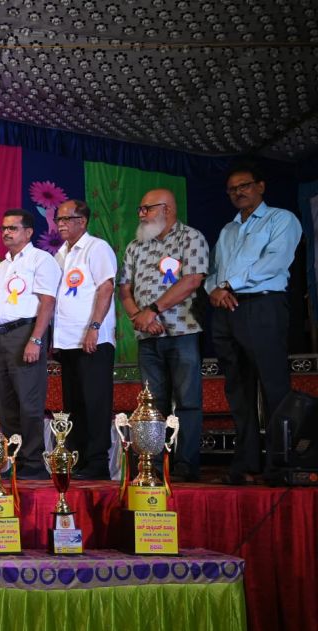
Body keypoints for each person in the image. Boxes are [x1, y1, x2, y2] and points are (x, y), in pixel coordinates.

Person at [205, 162, 302, 485]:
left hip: (263, 305)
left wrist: (228, 284)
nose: (238, 192)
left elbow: (274, 261)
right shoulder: (228, 230)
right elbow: (214, 271)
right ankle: (246, 463)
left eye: (244, 185)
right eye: (232, 189)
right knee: (238, 388)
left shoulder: (281, 219)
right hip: (227, 309)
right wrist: (216, 290)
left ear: (260, 186)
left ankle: (280, 464)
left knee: (273, 385)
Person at [118, 189, 209, 482]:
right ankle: (152, 465)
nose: (141, 214)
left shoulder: (190, 237)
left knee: (187, 401)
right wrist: (139, 317)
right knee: (151, 404)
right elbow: (125, 289)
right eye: (140, 209)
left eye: (147, 208)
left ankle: (185, 464)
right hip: (148, 337)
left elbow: (192, 280)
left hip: (182, 331)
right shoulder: (135, 246)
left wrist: (153, 310)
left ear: (167, 209)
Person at [0, 209, 61, 479]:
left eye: (13, 228)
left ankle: (33, 464)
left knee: (28, 403)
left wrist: (36, 339)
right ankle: (14, 462)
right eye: (3, 228)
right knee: (6, 404)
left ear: (28, 232)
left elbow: (47, 302)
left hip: (26, 333)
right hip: (1, 337)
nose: (6, 233)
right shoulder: (3, 265)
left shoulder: (41, 259)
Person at [52, 200, 117, 480]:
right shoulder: (61, 254)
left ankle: (98, 462)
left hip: (93, 339)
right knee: (74, 404)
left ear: (83, 221)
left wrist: (94, 327)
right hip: (67, 341)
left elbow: (106, 287)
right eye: (58, 219)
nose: (61, 224)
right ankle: (78, 459)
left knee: (95, 402)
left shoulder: (96, 248)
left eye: (66, 219)